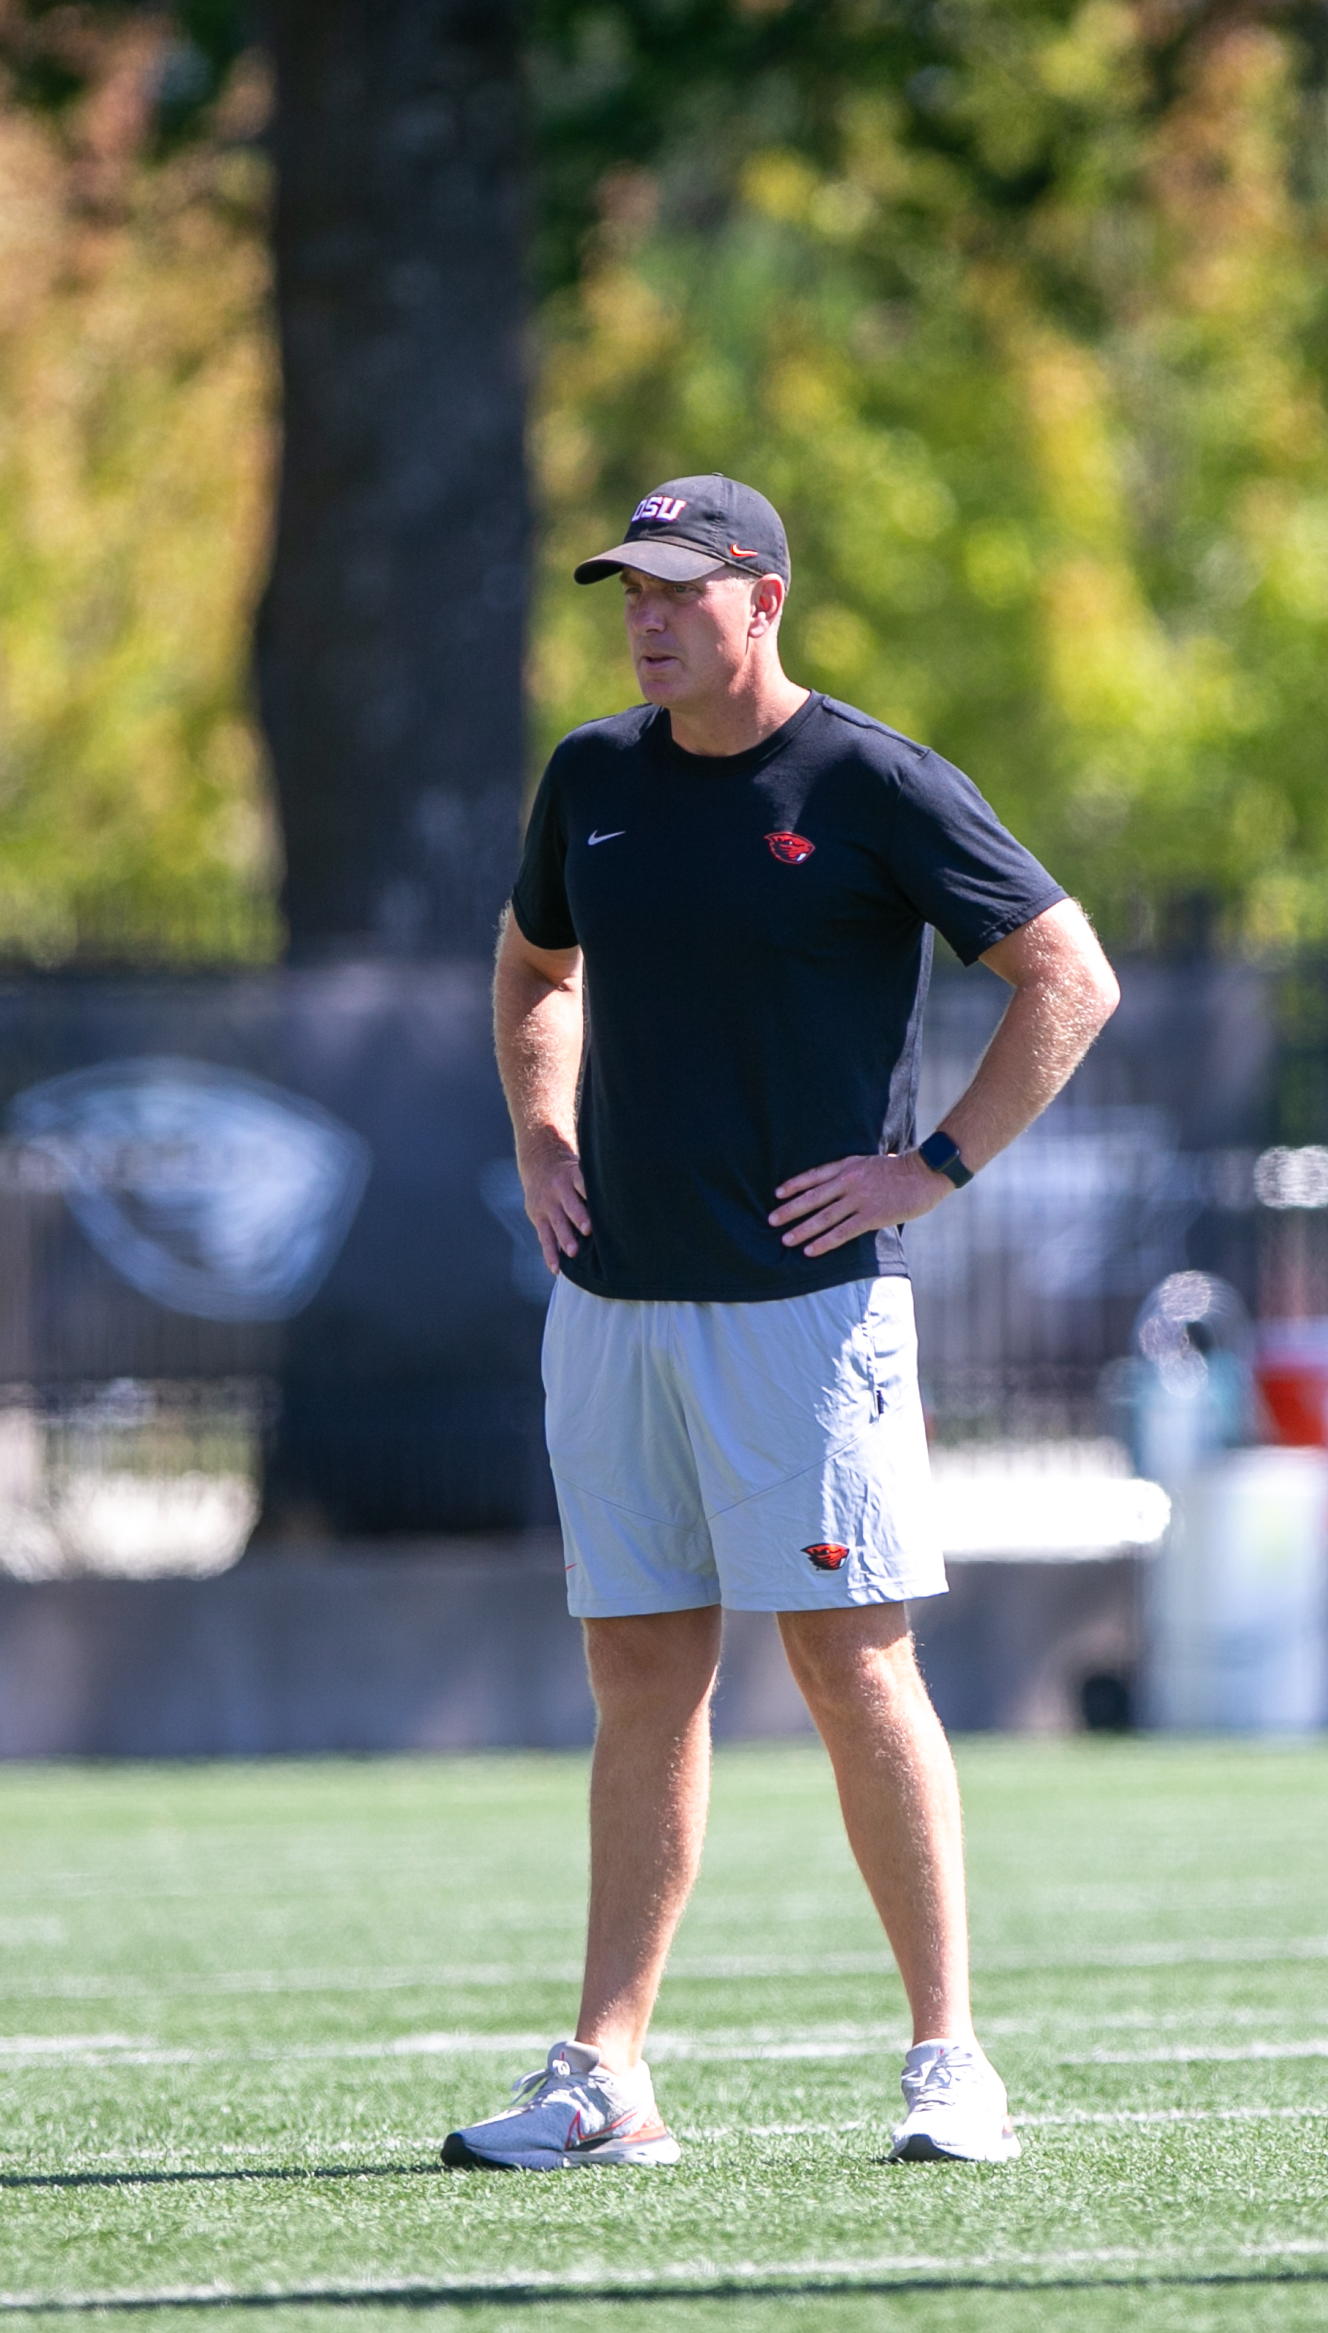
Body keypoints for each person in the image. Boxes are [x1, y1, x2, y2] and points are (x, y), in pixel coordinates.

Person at [452, 474, 1121, 2172]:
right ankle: (606, 2076)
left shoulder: (871, 779)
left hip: (804, 1319)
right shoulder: (591, 779)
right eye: (629, 591)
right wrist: (542, 1132)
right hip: (612, 1310)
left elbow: (1069, 975)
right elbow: (538, 972)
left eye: (677, 587)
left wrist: (936, 1167)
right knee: (640, 1678)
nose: (644, 615)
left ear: (764, 596)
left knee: (849, 1662)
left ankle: (949, 2060)